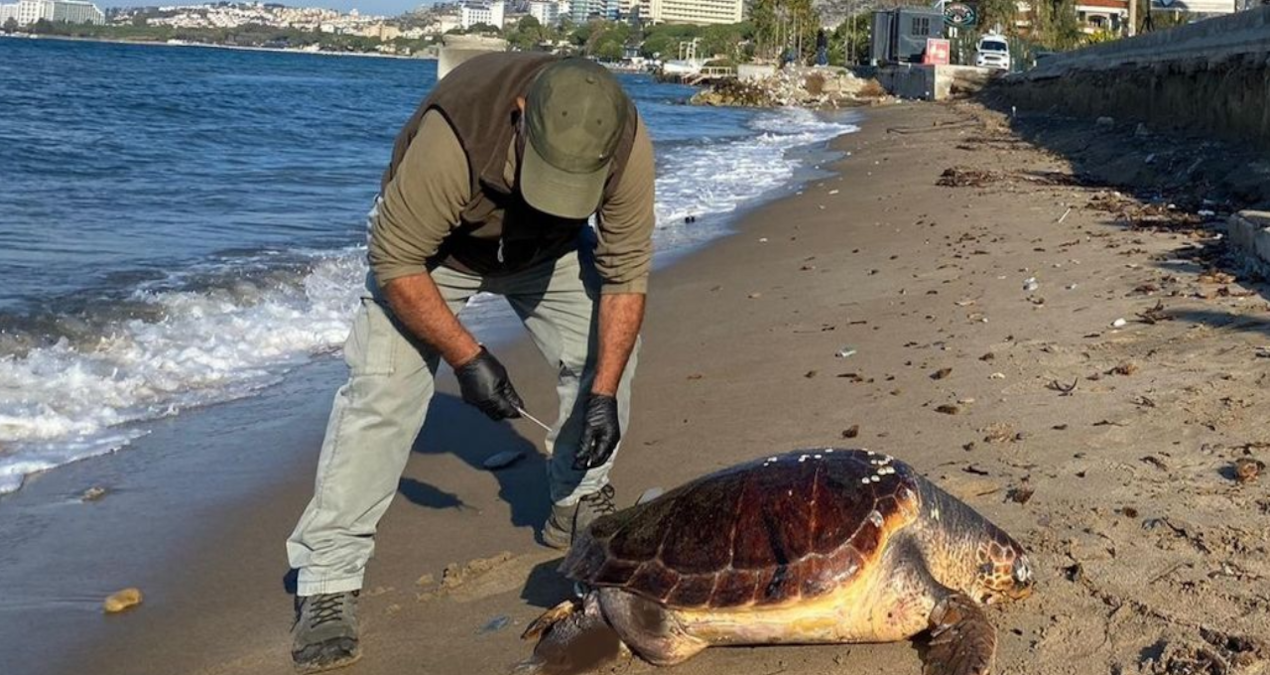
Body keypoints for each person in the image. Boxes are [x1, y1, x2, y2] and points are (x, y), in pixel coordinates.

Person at [285, 52, 654, 673]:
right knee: (382, 394)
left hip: (547, 256)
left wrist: (603, 394)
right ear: (519, 116)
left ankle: (577, 500)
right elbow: (396, 261)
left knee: (605, 354)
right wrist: (468, 357)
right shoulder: (452, 137)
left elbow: (625, 276)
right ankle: (327, 582)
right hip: (435, 259)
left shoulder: (624, 140)